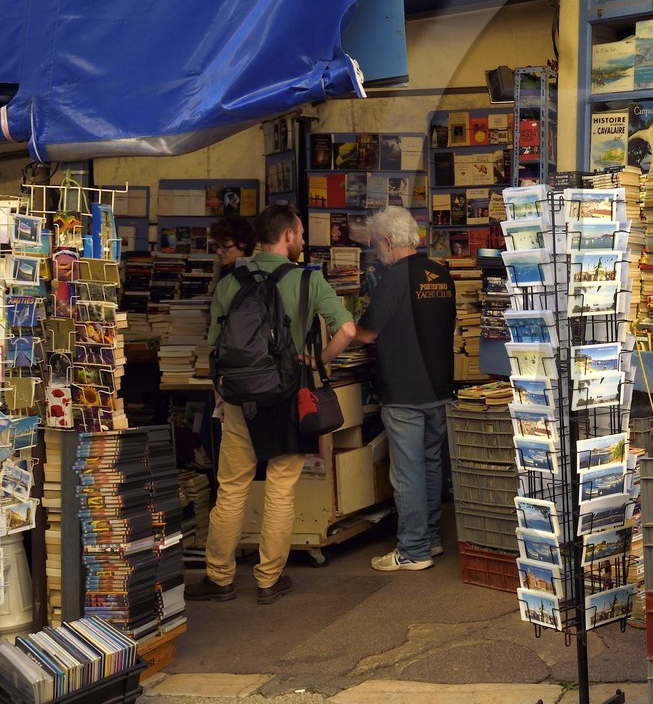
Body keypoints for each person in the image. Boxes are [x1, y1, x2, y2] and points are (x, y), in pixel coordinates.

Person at [186, 205, 356, 606]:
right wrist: (319, 361)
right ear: (287, 236)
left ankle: (219, 577)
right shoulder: (307, 281)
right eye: (298, 234)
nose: (301, 240)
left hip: (239, 398)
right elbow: (347, 329)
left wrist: (224, 390)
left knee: (230, 489)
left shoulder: (230, 281)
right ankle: (268, 579)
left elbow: (216, 345)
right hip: (288, 396)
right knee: (280, 489)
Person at [353, 208, 457, 572]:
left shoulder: (394, 278)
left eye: (375, 246)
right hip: (440, 385)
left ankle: (413, 550)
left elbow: (367, 332)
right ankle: (430, 538)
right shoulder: (442, 274)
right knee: (430, 464)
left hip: (404, 390)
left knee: (407, 471)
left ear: (386, 242)